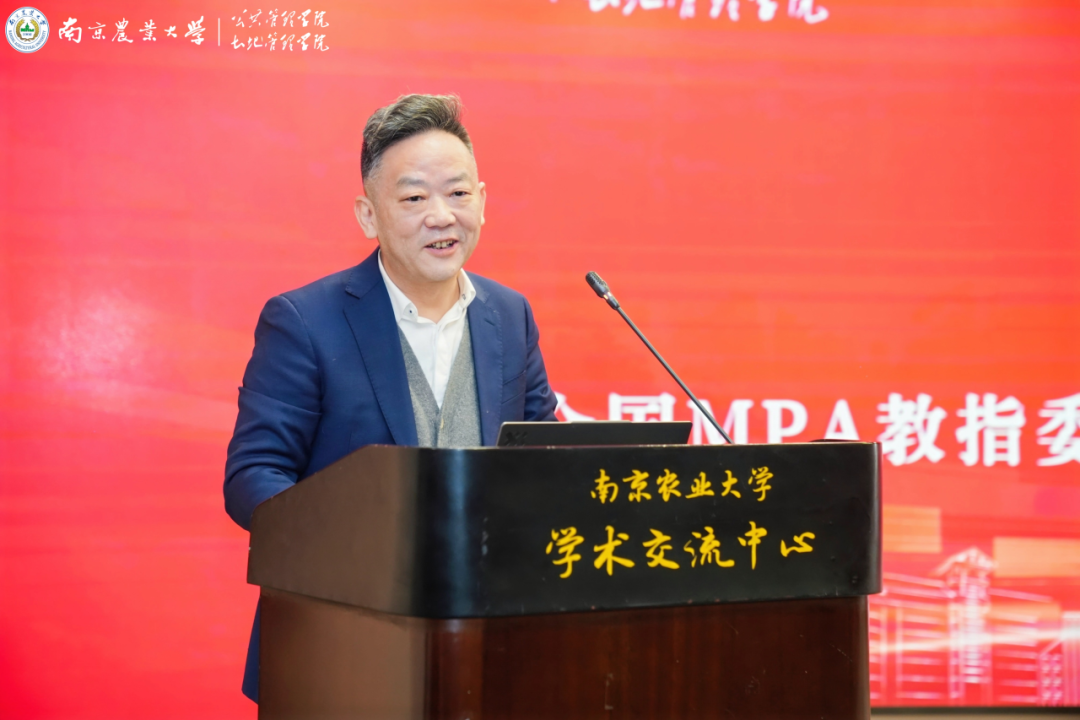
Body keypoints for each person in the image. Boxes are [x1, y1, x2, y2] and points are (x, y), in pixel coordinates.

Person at [223, 94, 558, 702]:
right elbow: (254, 476)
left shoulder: (510, 316)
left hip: (491, 646)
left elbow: (547, 461)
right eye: (413, 198)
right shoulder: (304, 321)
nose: (441, 216)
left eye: (458, 193)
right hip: (336, 646)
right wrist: (363, 547)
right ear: (368, 215)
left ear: (483, 201)